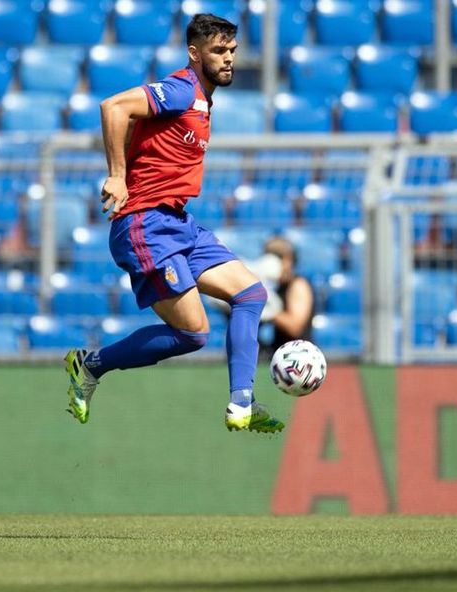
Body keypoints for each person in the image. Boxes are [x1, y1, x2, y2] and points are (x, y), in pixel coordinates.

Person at [64, 13, 284, 434]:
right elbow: (114, 106)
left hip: (178, 223)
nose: (228, 59)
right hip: (146, 225)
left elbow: (138, 131)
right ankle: (89, 366)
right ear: (194, 53)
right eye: (219, 51)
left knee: (251, 294)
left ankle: (242, 403)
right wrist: (116, 174)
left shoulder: (203, 100)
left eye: (232, 51)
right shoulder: (181, 89)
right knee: (193, 334)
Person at [257, 236, 314, 354]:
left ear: (287, 260)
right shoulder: (274, 286)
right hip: (279, 356)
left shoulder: (298, 285)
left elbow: (295, 327)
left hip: (299, 358)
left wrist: (270, 311)